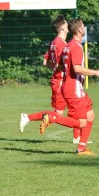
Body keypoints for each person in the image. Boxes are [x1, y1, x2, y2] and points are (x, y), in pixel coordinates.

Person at [39, 18, 99, 156]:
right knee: (81, 122)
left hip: (72, 87)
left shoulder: (68, 45)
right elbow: (77, 68)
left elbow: (58, 65)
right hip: (73, 88)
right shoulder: (75, 46)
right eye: (83, 26)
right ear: (80, 30)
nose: (84, 28)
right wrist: (95, 72)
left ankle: (82, 148)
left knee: (90, 115)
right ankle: (52, 118)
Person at [19, 14, 81, 142]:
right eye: (65, 23)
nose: (67, 25)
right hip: (60, 81)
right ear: (62, 28)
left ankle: (77, 137)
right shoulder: (60, 44)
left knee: (74, 108)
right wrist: (67, 69)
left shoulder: (55, 42)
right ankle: (27, 117)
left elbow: (45, 62)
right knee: (57, 114)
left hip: (62, 80)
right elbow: (60, 64)